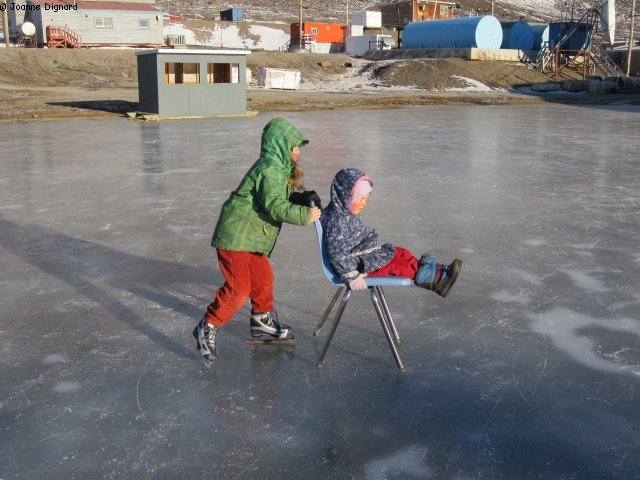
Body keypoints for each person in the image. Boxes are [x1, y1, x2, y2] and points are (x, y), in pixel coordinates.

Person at [192, 118, 322, 366]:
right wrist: (306, 215)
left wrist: (302, 199)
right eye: (294, 145)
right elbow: (274, 206)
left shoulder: (278, 168)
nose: (298, 151)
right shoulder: (270, 168)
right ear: (280, 144)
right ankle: (206, 327)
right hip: (236, 237)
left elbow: (273, 198)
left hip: (250, 237)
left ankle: (263, 323)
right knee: (239, 290)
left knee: (264, 279)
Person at [320, 168, 461, 295]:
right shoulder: (337, 222)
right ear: (344, 197)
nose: (364, 203)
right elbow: (337, 254)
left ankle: (437, 270)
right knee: (396, 264)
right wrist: (352, 276)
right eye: (360, 199)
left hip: (363, 254)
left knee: (400, 252)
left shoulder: (342, 212)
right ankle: (436, 280)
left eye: (366, 199)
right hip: (358, 265)